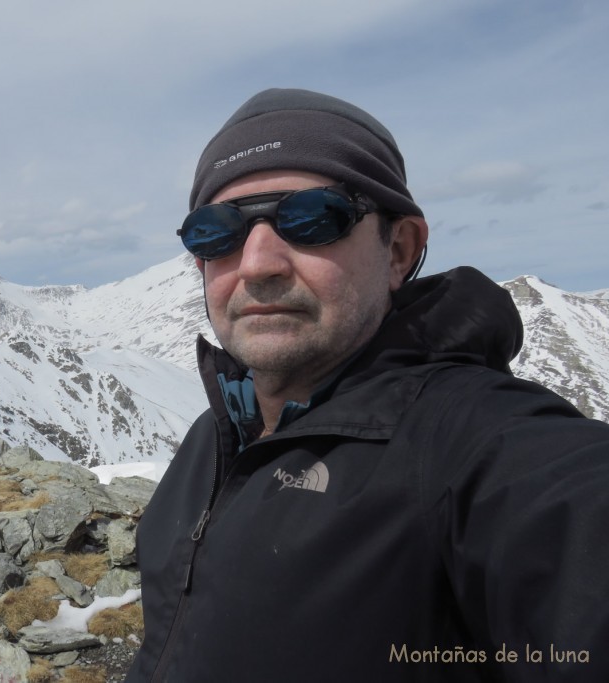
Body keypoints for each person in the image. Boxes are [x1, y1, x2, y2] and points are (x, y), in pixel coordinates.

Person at [126, 88, 609, 682]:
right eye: (216, 231)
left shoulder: (467, 447)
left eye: (311, 218)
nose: (257, 262)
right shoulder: (217, 436)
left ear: (398, 250)